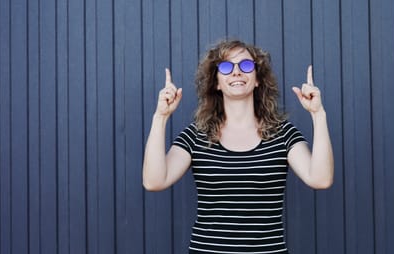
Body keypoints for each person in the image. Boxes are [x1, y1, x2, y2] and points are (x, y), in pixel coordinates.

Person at [143, 39, 334, 253]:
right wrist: (160, 117)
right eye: (226, 66)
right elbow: (154, 181)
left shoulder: (282, 134)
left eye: (246, 65)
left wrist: (318, 115)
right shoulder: (197, 136)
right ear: (216, 82)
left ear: (257, 80)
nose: (236, 72)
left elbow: (321, 179)